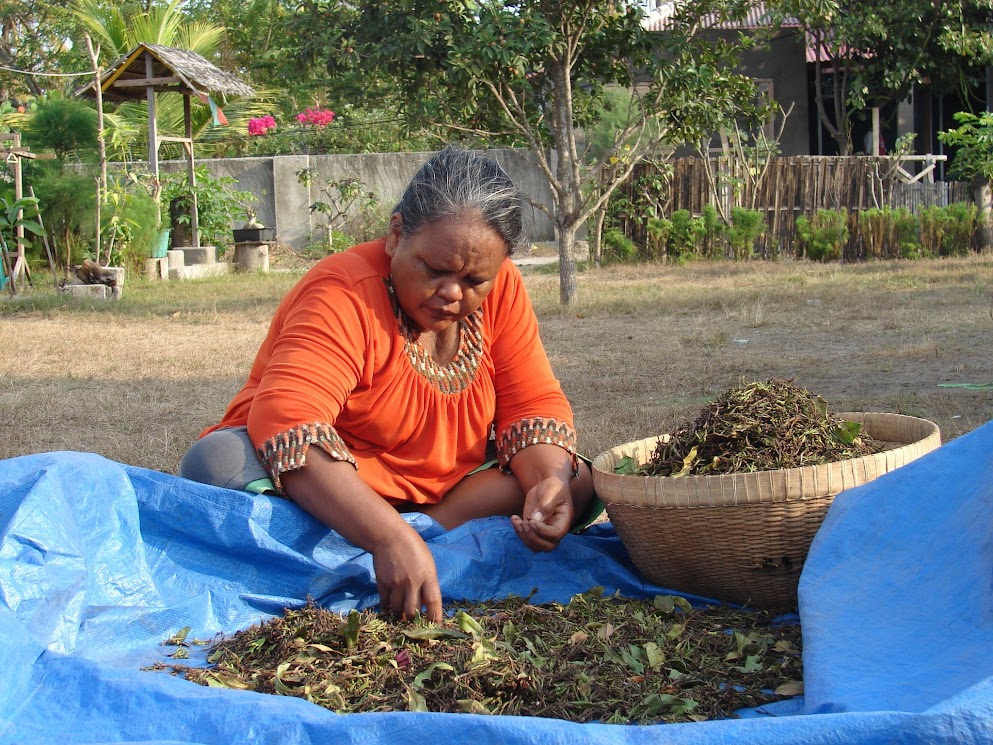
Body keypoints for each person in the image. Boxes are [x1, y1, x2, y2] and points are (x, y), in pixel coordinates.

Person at [179, 145, 599, 623]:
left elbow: (532, 402)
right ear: (396, 235)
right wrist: (387, 537)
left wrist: (547, 482)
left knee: (575, 479)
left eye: (474, 280)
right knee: (216, 462)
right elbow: (288, 421)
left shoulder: (501, 291)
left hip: (443, 492)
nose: (452, 293)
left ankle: (411, 541)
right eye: (434, 269)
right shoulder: (342, 291)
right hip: (328, 483)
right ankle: (402, 545)